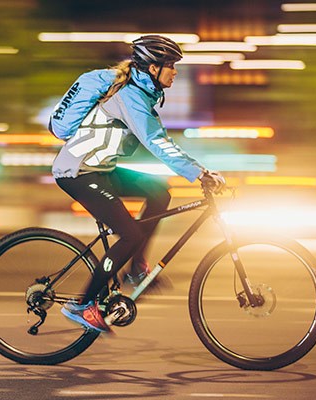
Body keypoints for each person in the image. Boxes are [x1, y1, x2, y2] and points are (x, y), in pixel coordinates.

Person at [52, 35, 225, 332]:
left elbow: (159, 138)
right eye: (170, 65)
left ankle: (135, 270)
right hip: (78, 173)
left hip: (101, 170)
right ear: (153, 68)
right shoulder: (130, 96)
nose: (175, 71)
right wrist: (199, 172)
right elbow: (156, 141)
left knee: (159, 191)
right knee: (129, 235)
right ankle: (81, 304)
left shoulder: (142, 94)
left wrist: (198, 170)